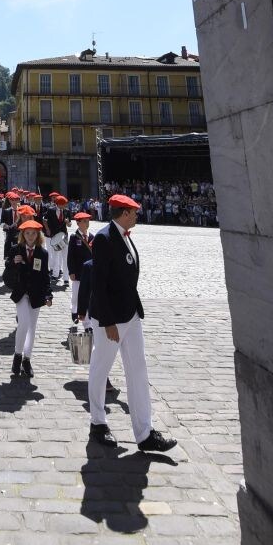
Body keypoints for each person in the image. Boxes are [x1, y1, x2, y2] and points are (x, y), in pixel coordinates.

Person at [87, 194, 177, 453]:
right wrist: (107, 321)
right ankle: (98, 422)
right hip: (111, 318)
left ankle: (145, 432)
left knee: (138, 371)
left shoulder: (126, 237)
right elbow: (99, 285)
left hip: (131, 315)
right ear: (124, 213)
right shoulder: (104, 238)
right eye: (134, 212)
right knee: (100, 368)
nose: (137, 215)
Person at [5, 220, 52, 377]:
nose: (30, 236)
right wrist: (13, 262)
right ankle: (17, 357)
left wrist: (48, 294)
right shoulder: (16, 249)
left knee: (32, 328)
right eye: (27, 233)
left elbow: (46, 276)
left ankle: (27, 359)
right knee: (23, 323)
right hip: (21, 292)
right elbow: (7, 269)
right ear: (22, 235)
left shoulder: (43, 253)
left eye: (33, 233)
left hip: (36, 294)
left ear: (38, 235)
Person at [67, 211, 94, 324]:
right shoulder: (74, 237)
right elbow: (70, 256)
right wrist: (71, 271)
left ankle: (86, 318)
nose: (87, 223)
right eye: (84, 221)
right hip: (78, 271)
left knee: (87, 296)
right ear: (78, 223)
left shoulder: (92, 236)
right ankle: (74, 310)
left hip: (89, 271)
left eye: (87, 221)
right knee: (76, 295)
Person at [44, 194, 70, 284]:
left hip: (64, 236)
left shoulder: (66, 211)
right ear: (58, 204)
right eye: (62, 204)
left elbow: (69, 224)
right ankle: (55, 275)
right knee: (56, 255)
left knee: (65, 257)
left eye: (65, 204)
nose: (64, 206)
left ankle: (66, 278)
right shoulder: (51, 210)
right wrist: (47, 229)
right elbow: (44, 220)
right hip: (55, 236)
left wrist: (68, 222)